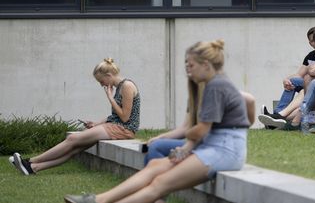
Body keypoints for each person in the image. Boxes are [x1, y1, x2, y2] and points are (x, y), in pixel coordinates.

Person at [64, 39, 250, 203]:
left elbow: (200, 130)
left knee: (160, 183)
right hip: (215, 146)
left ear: (206, 65)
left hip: (225, 150)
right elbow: (200, 131)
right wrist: (186, 146)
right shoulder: (214, 84)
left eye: (191, 65)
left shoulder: (216, 86)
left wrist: (189, 138)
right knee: (154, 166)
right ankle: (100, 199)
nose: (187, 69)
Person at [10, 58, 140, 176]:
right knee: (75, 148)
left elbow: (124, 118)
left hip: (124, 129)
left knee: (72, 138)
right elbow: (115, 115)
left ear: (109, 75)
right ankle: (33, 168)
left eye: (101, 81)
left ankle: (28, 161)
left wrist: (110, 99)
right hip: (116, 126)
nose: (101, 84)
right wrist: (96, 124)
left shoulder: (127, 86)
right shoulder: (119, 87)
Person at [143, 75, 256, 165]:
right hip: (196, 142)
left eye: (192, 66)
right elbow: (186, 128)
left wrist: (244, 125)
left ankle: (158, 183)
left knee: (156, 148)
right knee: (155, 145)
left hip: (212, 144)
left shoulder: (218, 89)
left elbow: (249, 99)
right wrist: (160, 137)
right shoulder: (195, 94)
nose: (189, 72)